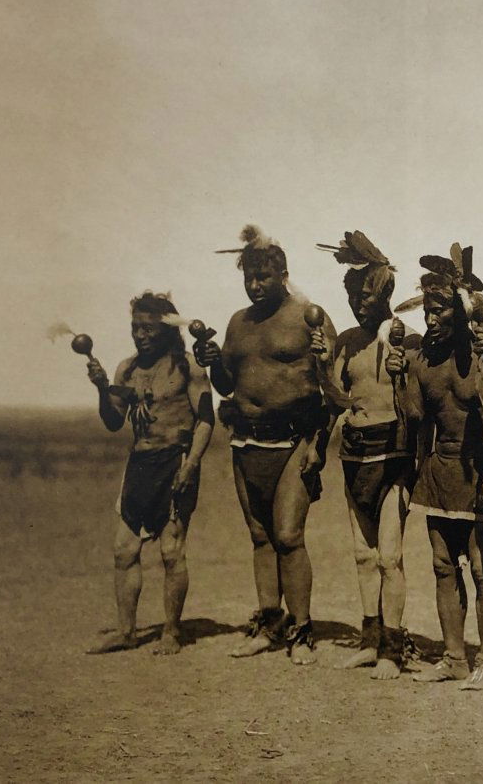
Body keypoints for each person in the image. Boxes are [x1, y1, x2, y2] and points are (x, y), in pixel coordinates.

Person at [195, 225, 337, 665]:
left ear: (284, 274)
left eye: (264, 278)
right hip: (246, 442)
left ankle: (302, 630)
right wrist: (214, 362)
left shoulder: (308, 316)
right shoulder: (238, 323)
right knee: (260, 537)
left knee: (289, 536)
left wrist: (320, 445)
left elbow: (331, 387)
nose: (256, 286)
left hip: (295, 439)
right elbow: (226, 385)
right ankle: (270, 623)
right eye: (249, 279)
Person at [386, 245, 483, 691]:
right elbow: (415, 418)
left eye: (440, 308)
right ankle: (454, 657)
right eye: (427, 308)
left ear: (460, 312)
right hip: (440, 469)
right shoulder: (422, 359)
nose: (430, 318)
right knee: (444, 566)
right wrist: (398, 377)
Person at [317, 231, 423, 679]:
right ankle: (369, 639)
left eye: (369, 295)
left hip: (394, 454)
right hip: (355, 453)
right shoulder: (344, 342)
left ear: (386, 294)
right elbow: (340, 400)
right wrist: (323, 365)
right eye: (354, 295)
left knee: (390, 556)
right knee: (363, 555)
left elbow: (417, 405)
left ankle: (393, 651)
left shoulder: (408, 339)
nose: (361, 303)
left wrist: (401, 374)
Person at [85, 292, 214, 656]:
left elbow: (206, 419)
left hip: (177, 461)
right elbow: (113, 421)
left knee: (171, 552)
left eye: (148, 329)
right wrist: (100, 387)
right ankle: (127, 632)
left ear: (167, 330)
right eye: (135, 328)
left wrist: (191, 465)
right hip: (139, 464)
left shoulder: (187, 366)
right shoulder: (126, 369)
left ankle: (171, 632)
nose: (140, 335)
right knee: (123, 550)